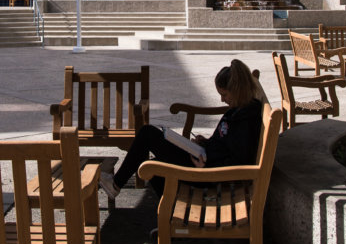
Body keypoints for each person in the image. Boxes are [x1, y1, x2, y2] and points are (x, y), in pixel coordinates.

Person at [100, 59, 264, 200]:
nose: (222, 99)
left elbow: (239, 160)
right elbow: (226, 143)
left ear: (237, 91)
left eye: (225, 95)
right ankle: (171, 221)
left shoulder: (247, 119)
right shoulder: (240, 109)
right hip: (204, 159)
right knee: (152, 159)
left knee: (148, 136)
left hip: (208, 173)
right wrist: (205, 143)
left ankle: (116, 184)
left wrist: (205, 167)